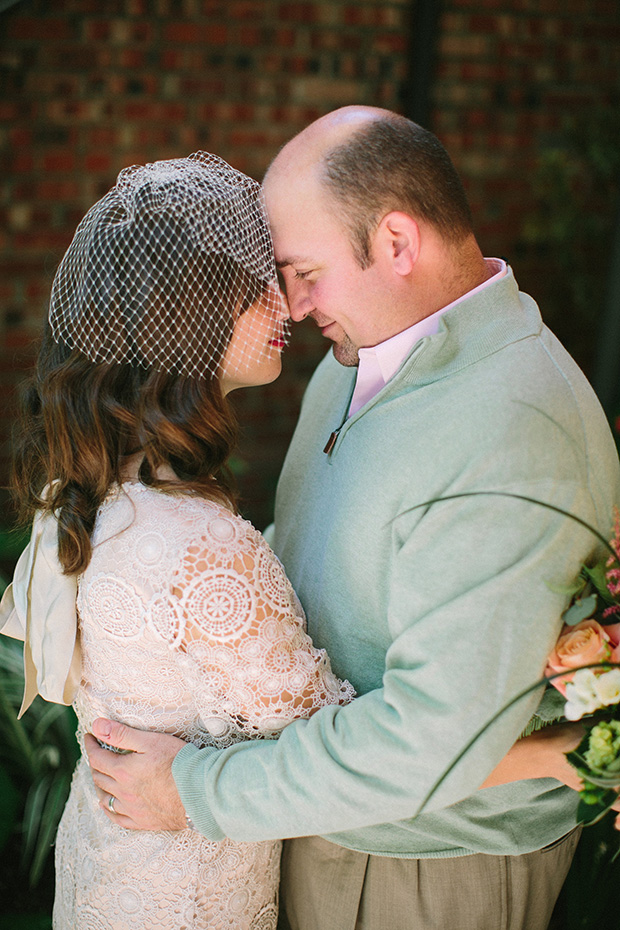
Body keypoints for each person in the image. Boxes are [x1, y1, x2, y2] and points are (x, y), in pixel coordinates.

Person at [84, 107, 620, 930]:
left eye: (304, 272)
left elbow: (431, 740)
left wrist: (193, 790)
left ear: (398, 244)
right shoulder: (361, 358)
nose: (291, 308)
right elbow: (305, 568)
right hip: (314, 824)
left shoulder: (511, 427)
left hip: (428, 870)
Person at [0, 152, 356, 930]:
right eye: (255, 287)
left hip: (107, 875)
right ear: (186, 319)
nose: (286, 304)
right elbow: (332, 748)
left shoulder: (99, 491)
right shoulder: (201, 544)